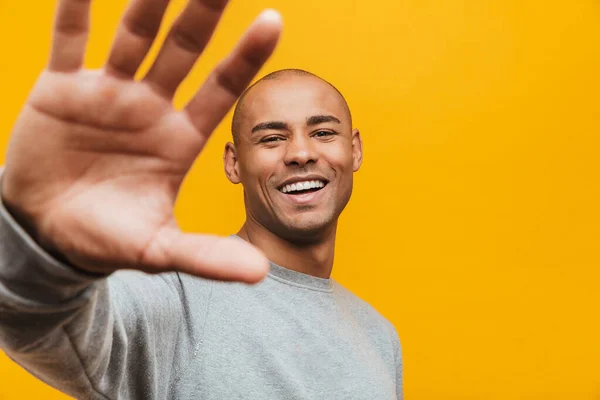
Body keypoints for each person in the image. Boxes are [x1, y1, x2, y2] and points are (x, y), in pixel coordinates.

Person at [0, 0, 403, 398]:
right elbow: (38, 325)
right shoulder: (175, 297)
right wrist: (36, 239)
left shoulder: (380, 337)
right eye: (272, 138)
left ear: (354, 151)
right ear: (233, 163)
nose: (300, 153)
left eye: (323, 133)